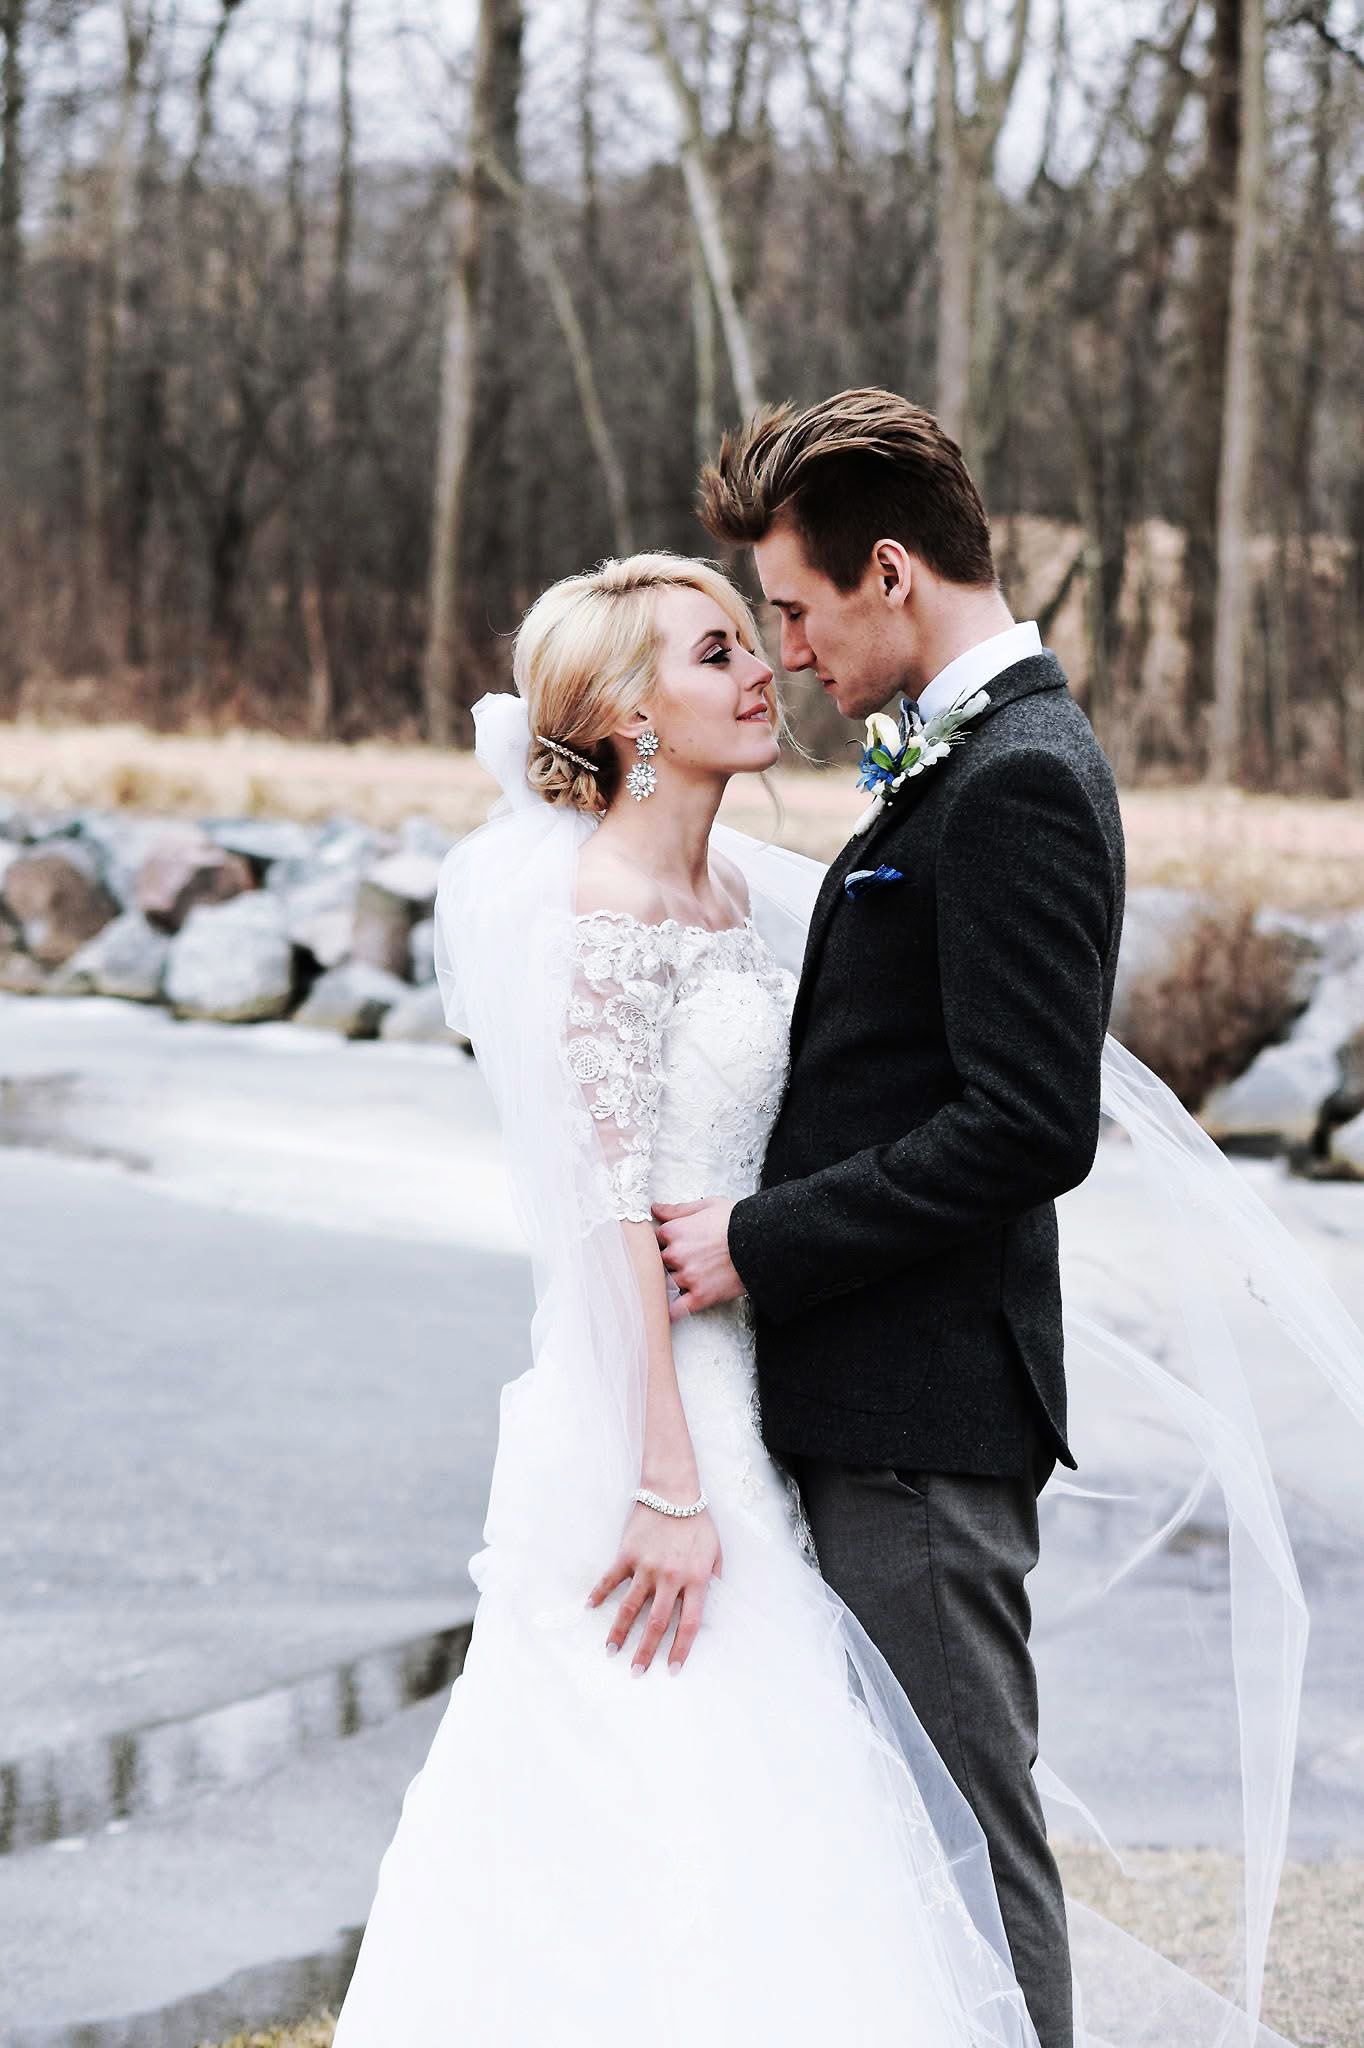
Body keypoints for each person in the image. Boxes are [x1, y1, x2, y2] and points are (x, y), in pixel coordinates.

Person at [653, 388, 1125, 2048]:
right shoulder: (962, 762)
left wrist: (754, 1241)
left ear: (893, 574)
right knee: (886, 1853)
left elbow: (1027, 1122)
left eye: (791, 609)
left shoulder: (1019, 781)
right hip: (876, 1403)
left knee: (966, 1852)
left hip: (926, 1421)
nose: (782, 652)